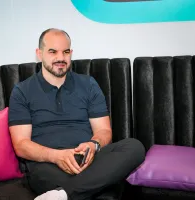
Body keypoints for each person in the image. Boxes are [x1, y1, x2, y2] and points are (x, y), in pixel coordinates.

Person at [8, 28, 145, 200]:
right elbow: (21, 145)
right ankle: (85, 187)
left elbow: (104, 132)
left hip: (89, 159)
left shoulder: (88, 84)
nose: (60, 58)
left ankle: (64, 194)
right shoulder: (22, 91)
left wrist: (93, 145)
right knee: (101, 192)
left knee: (135, 147)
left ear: (71, 53)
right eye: (53, 52)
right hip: (47, 163)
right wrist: (57, 156)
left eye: (65, 52)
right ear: (39, 54)